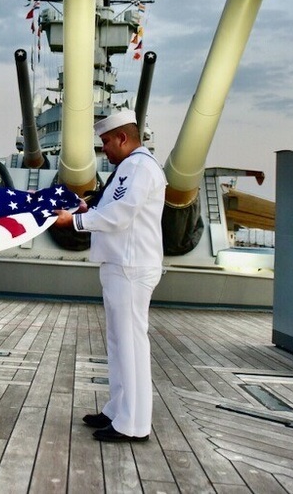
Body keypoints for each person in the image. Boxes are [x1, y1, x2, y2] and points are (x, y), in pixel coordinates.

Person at [53, 109, 165, 442]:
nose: (104, 150)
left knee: (130, 345)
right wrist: (90, 210)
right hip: (120, 265)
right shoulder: (128, 168)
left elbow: (121, 214)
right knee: (119, 344)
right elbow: (112, 209)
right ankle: (118, 410)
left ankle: (133, 425)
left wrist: (74, 222)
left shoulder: (138, 168)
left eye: (106, 142)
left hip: (129, 268)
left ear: (122, 138)